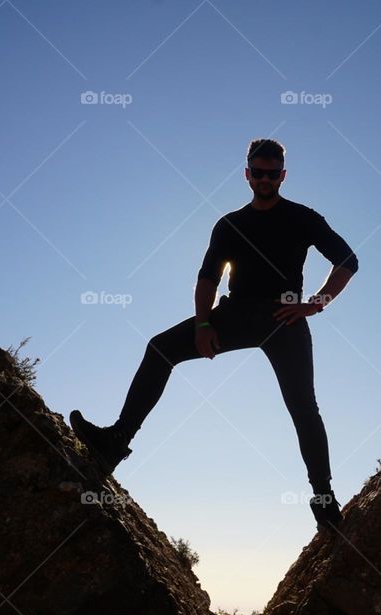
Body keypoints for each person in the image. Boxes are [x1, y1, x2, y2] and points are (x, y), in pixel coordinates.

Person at [70, 138, 359, 532]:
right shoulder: (230, 224)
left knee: (303, 407)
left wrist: (315, 303)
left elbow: (347, 261)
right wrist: (204, 324)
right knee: (160, 348)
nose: (264, 179)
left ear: (283, 176)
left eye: (272, 174)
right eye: (258, 172)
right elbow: (207, 277)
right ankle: (114, 444)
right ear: (247, 174)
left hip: (284, 319)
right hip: (235, 314)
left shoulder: (303, 218)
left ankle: (324, 500)